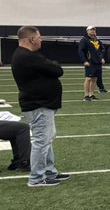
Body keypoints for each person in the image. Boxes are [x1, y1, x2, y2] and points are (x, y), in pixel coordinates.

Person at [10, 25, 70, 187]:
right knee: (41, 140)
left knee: (46, 139)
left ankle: (49, 171)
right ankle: (36, 178)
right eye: (39, 37)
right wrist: (53, 65)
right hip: (38, 104)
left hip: (40, 103)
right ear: (31, 39)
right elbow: (57, 70)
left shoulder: (25, 55)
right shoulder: (28, 56)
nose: (41, 40)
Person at [78, 25, 104, 101]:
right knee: (88, 78)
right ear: (87, 31)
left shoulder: (97, 40)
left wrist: (101, 58)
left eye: (94, 30)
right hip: (90, 62)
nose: (93, 31)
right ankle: (86, 95)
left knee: (94, 79)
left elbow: (102, 49)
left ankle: (91, 94)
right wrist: (84, 60)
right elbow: (81, 51)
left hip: (97, 62)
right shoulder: (84, 40)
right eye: (91, 30)